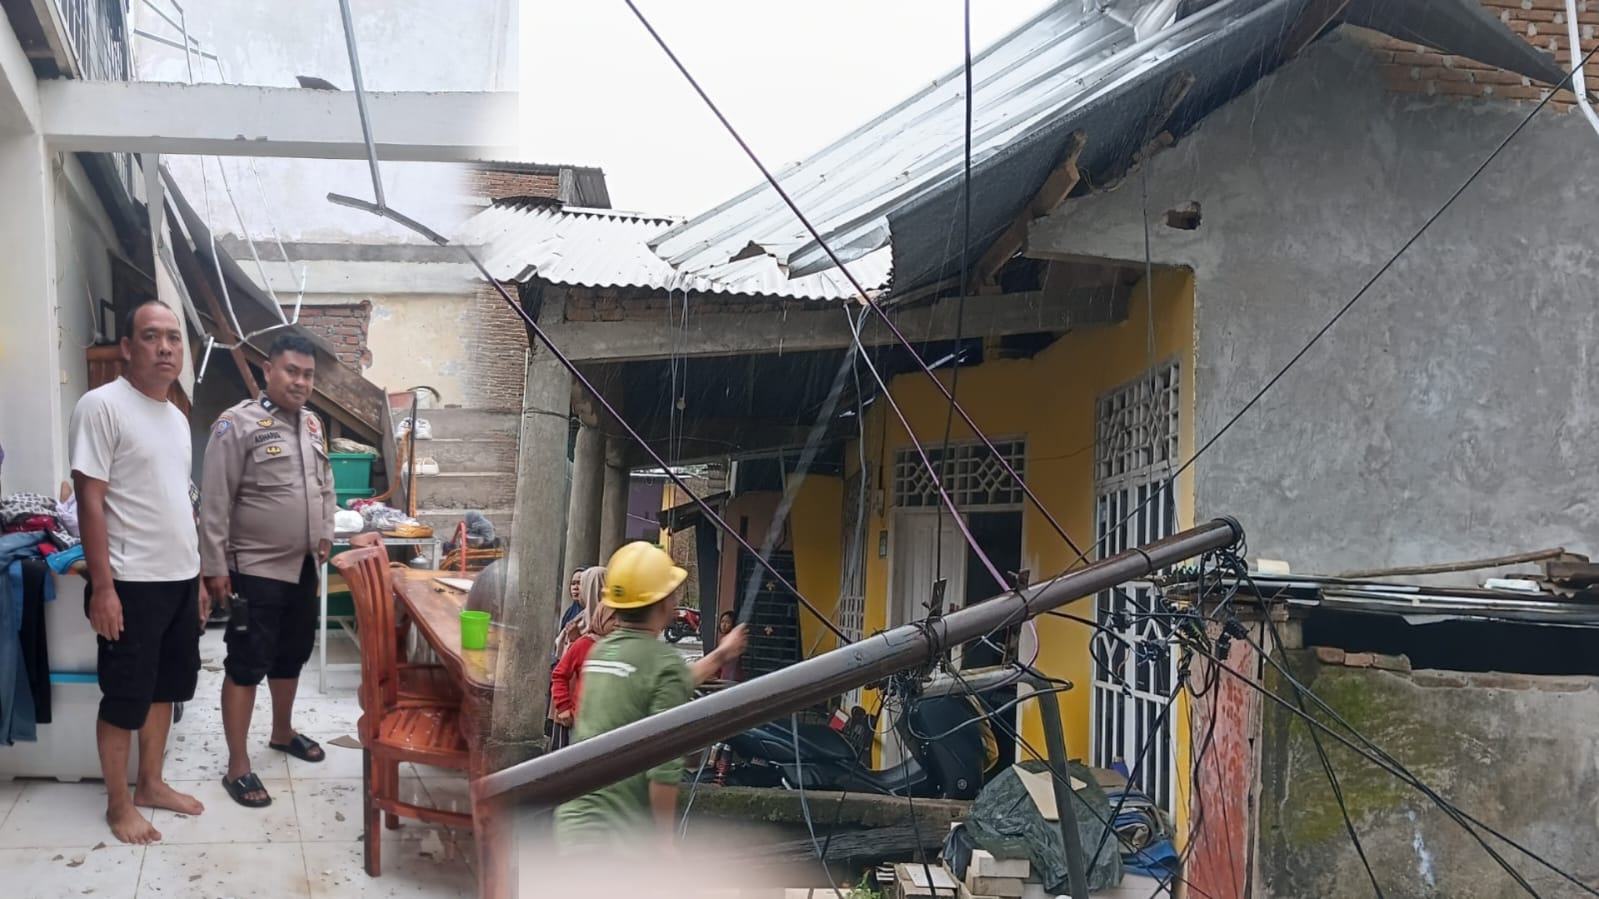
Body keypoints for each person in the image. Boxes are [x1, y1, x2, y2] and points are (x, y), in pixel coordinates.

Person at [69, 299, 207, 845]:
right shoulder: (101, 406)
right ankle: (118, 804)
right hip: (130, 582)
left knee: (165, 689)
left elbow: (180, 501)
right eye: (151, 336)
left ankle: (150, 783)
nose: (165, 347)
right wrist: (103, 588)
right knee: (125, 695)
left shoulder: (176, 417)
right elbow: (89, 501)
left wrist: (198, 577)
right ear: (127, 347)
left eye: (174, 337)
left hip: (179, 580)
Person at [199, 333, 336, 808]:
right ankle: (238, 765)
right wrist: (214, 567)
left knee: (291, 655)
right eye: (292, 371)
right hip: (254, 567)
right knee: (246, 663)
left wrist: (326, 531)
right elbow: (215, 498)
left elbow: (326, 485)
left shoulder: (313, 424)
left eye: (308, 374)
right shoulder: (236, 424)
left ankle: (282, 732)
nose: (301, 381)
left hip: (303, 566)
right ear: (268, 370)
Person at [553, 542, 748, 856]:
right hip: (620, 838)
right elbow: (663, 768)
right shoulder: (661, 664)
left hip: (575, 824)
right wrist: (664, 844)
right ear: (662, 603)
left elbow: (666, 680)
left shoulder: (601, 651)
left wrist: (722, 653)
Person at [549, 567, 614, 750]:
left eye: (581, 584)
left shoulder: (611, 629)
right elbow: (561, 670)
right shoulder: (579, 618)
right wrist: (563, 706)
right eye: (574, 583)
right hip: (576, 709)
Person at [551, 567, 586, 666]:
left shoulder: (592, 614)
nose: (575, 587)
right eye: (573, 583)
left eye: (579, 583)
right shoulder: (569, 613)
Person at [715, 611, 743, 683]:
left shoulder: (733, 641)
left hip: (732, 678)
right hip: (724, 677)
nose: (724, 625)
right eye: (722, 622)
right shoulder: (723, 639)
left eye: (727, 622)